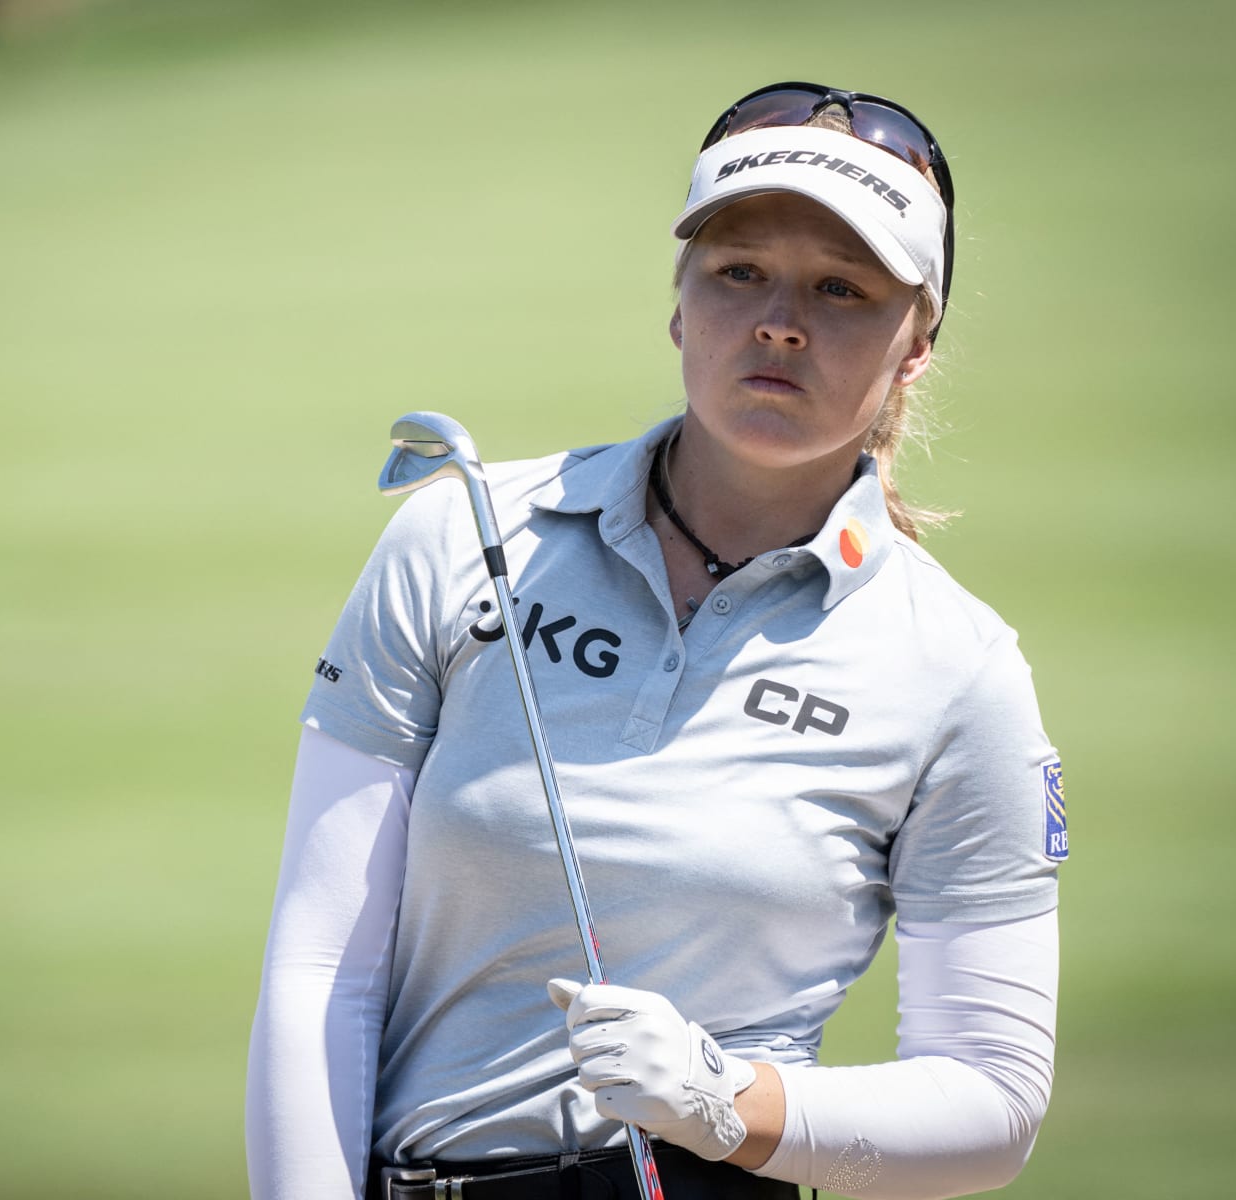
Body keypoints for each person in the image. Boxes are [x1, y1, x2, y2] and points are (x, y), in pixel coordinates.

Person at [247, 82, 1065, 1200]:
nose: (780, 322)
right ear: (679, 303)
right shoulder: (462, 532)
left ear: (916, 344)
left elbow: (992, 1102)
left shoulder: (957, 670)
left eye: (841, 288)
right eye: (739, 272)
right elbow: (319, 970)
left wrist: (727, 1101)